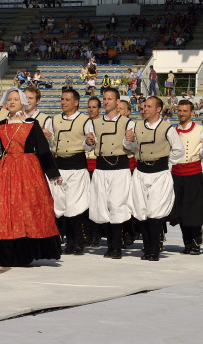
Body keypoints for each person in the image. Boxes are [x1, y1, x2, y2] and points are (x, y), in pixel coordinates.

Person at [0, 89, 62, 266]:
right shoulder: (1, 124)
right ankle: (7, 253)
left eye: (16, 99)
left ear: (23, 103)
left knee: (27, 209)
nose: (12, 102)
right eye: (10, 99)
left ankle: (26, 252)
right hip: (6, 171)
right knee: (7, 211)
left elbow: (43, 150)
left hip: (28, 170)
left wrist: (52, 173)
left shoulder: (31, 123)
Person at [128, 96, 183, 261]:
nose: (145, 109)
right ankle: (147, 248)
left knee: (155, 213)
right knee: (142, 211)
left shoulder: (168, 128)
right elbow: (130, 148)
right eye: (144, 107)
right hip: (140, 172)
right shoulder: (136, 126)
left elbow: (178, 150)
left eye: (149, 106)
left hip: (159, 174)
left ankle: (154, 249)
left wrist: (165, 162)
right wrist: (128, 140)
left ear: (158, 109)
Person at [87, 87, 134, 259]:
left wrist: (130, 141)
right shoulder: (94, 122)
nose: (106, 101)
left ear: (117, 102)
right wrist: (89, 142)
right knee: (103, 207)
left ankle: (117, 247)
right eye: (104, 98)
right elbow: (88, 146)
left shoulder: (128, 122)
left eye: (109, 99)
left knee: (117, 205)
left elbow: (132, 149)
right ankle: (111, 245)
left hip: (120, 168)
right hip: (101, 168)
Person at [48, 87, 94, 255]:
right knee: (60, 206)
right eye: (62, 99)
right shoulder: (54, 119)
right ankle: (68, 241)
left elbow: (91, 143)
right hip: (59, 165)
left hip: (76, 166)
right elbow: (51, 142)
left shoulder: (85, 120)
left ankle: (79, 241)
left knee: (75, 206)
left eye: (67, 100)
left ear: (76, 103)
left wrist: (89, 142)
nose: (63, 102)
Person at [168, 99, 203, 254]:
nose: (181, 113)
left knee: (193, 210)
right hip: (177, 174)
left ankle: (195, 240)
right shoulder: (172, 131)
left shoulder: (201, 130)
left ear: (192, 112)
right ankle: (187, 241)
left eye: (185, 111)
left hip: (193, 173)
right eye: (179, 110)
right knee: (180, 210)